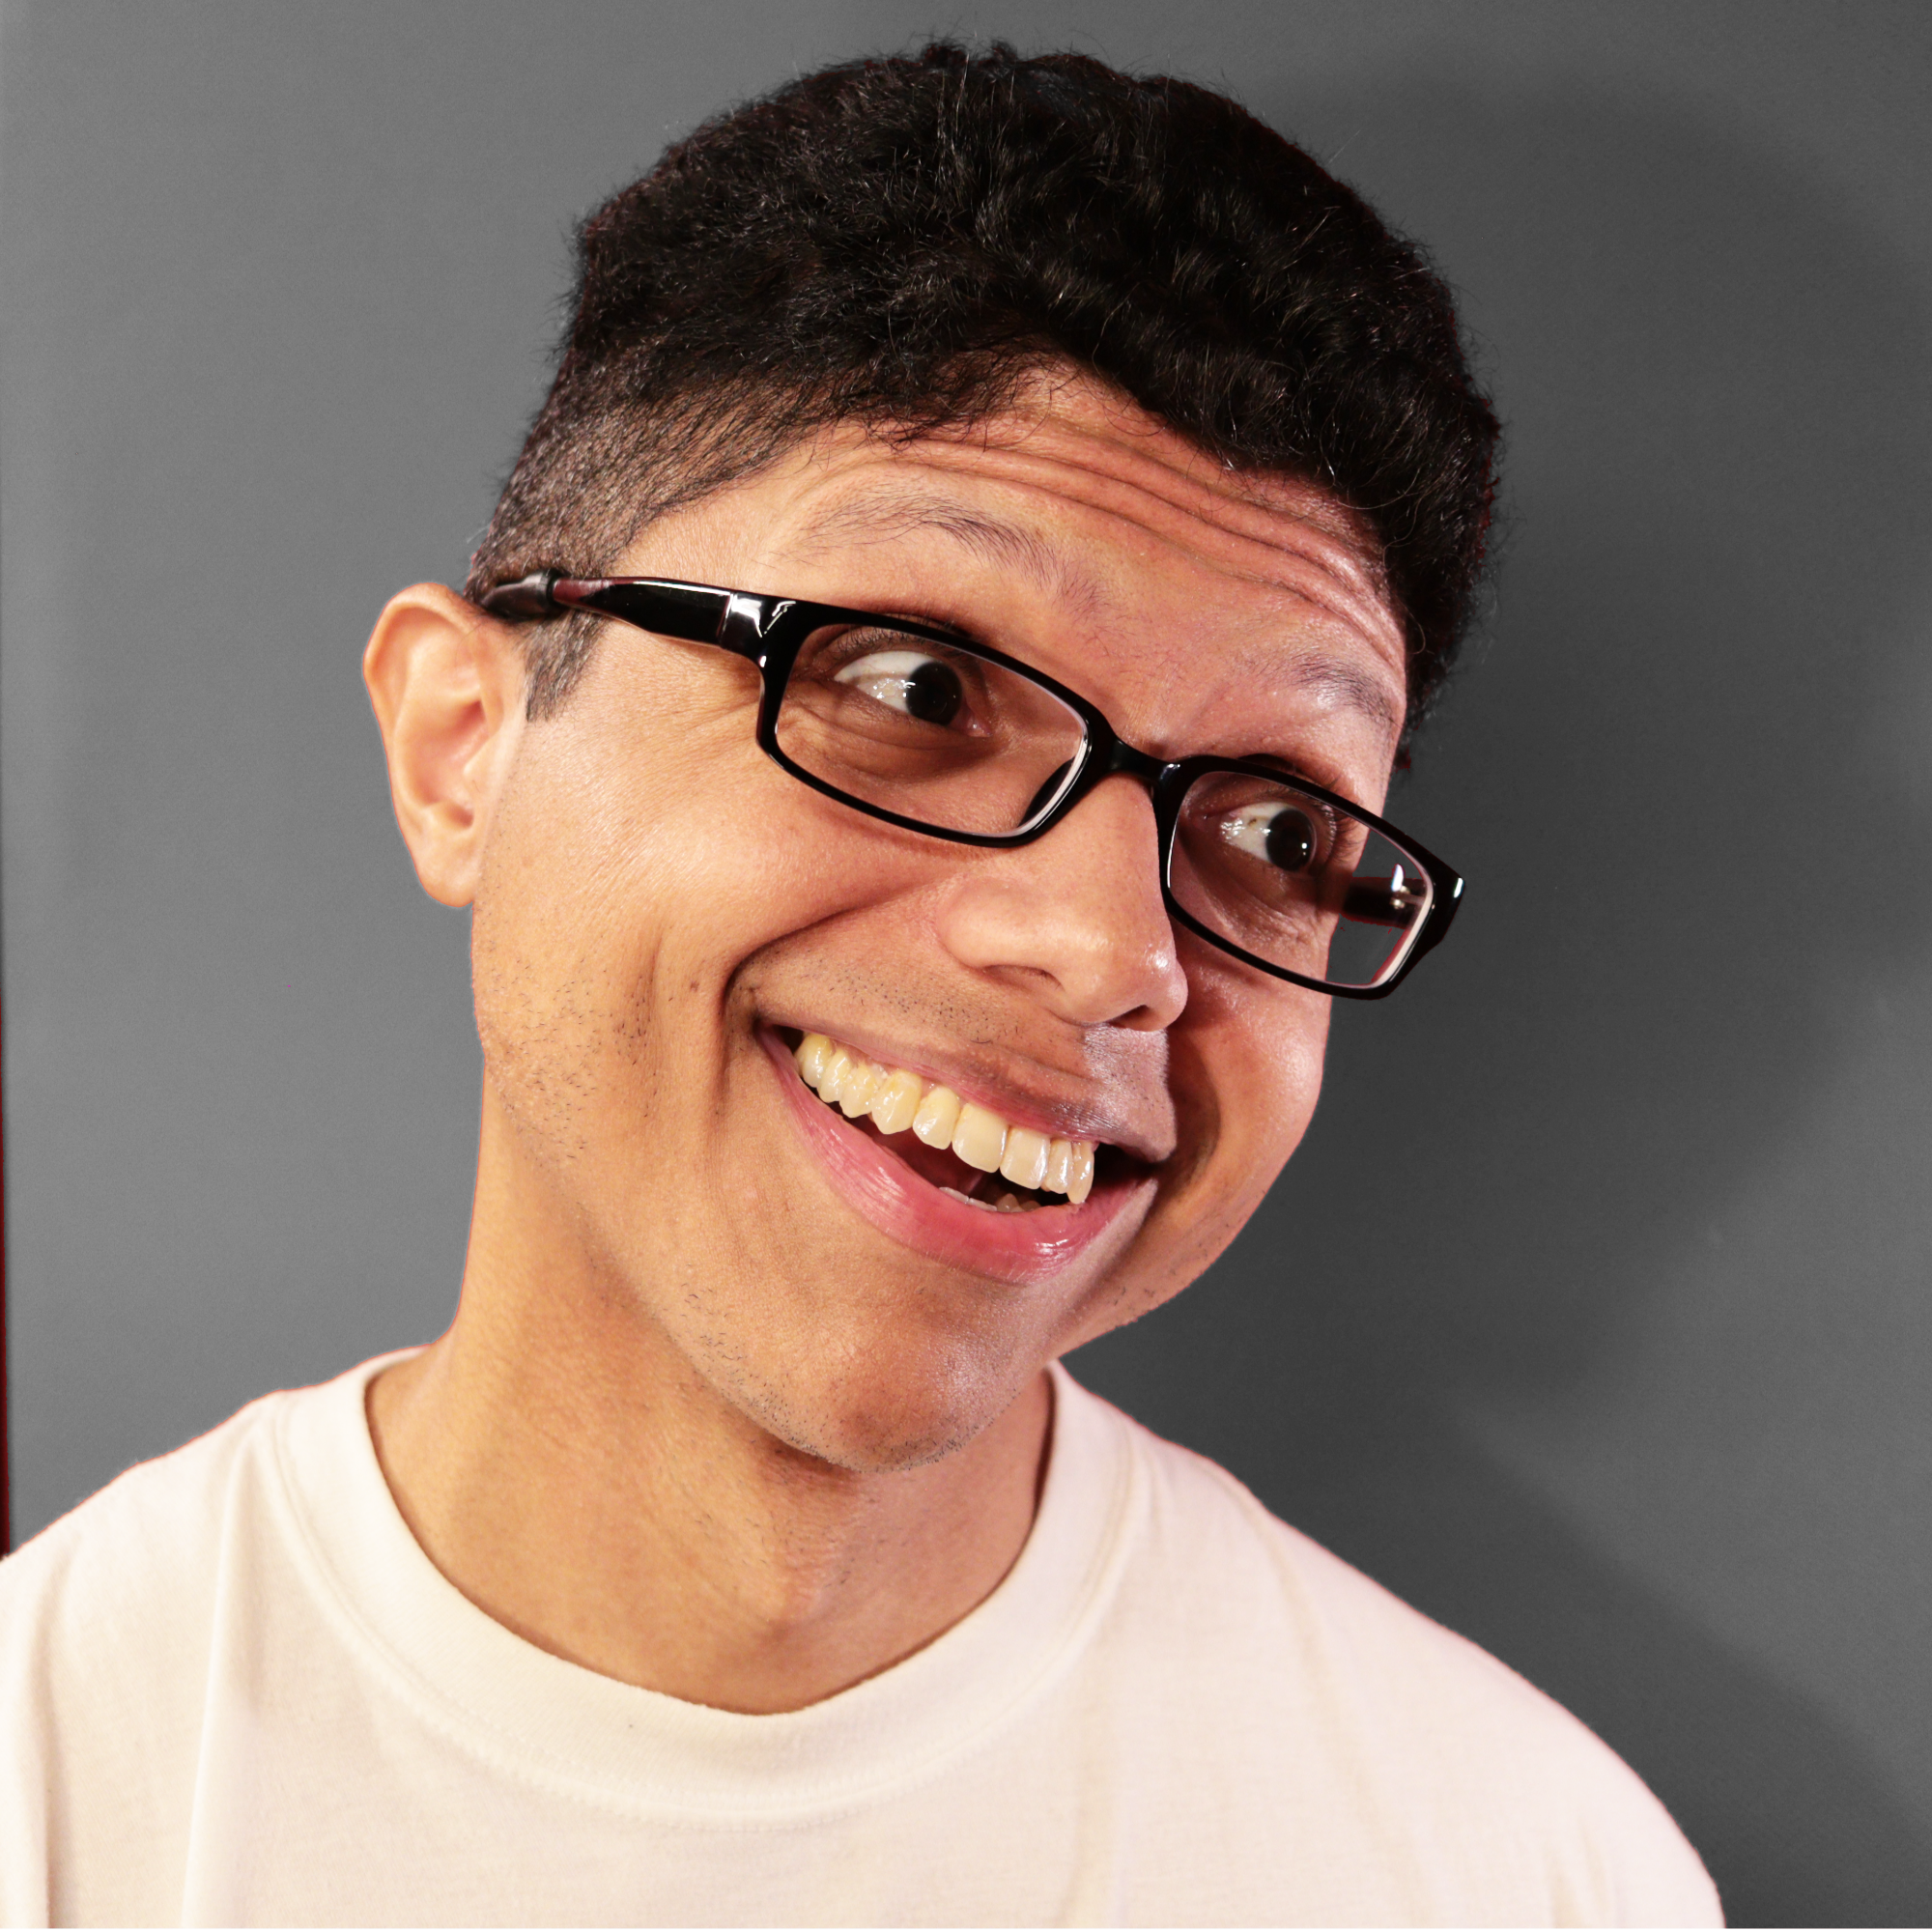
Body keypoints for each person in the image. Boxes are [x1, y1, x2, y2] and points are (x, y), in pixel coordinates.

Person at [0, 43, 1721, 1927]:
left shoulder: (1531, 1873)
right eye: (915, 688)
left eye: (1280, 835)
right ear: (463, 747)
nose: (1112, 953)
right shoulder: (50, 1780)